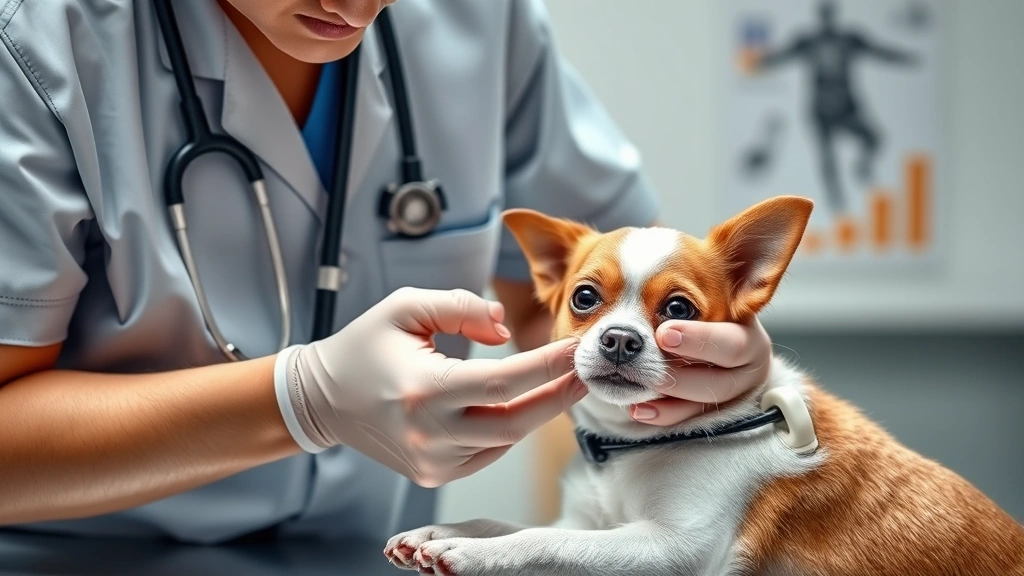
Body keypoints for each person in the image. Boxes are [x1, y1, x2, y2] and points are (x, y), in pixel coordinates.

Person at [0, 0, 774, 545]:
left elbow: (576, 299)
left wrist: (690, 370)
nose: (358, 3)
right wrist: (302, 401)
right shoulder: (38, 43)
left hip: (375, 556)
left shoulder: (479, 21)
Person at [753, 0, 917, 213]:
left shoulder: (848, 39)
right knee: (827, 156)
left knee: (873, 139)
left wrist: (904, 58)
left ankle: (861, 167)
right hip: (821, 108)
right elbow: (782, 56)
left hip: (846, 104)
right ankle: (836, 201)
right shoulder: (808, 41)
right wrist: (760, 62)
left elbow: (880, 52)